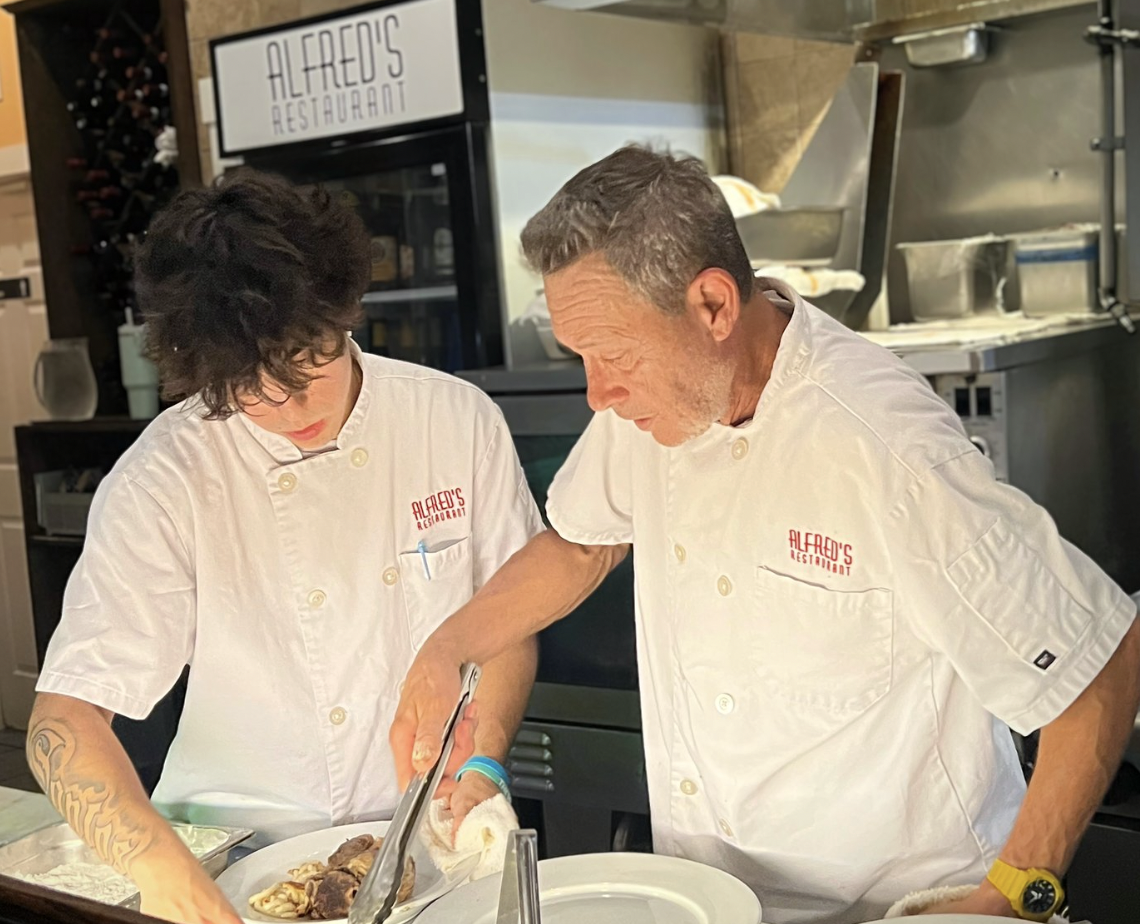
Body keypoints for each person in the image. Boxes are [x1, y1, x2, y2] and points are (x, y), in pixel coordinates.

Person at [390, 146, 1140, 924]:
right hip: (707, 896)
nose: (597, 393)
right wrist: (448, 648)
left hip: (897, 907)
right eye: (581, 358)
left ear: (713, 305)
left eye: (613, 357)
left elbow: (1101, 664)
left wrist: (1019, 894)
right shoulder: (656, 405)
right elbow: (582, 544)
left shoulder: (884, 447)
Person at [26, 170, 543, 924]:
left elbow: (509, 622)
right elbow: (59, 725)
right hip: (234, 856)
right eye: (247, 387)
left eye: (309, 360)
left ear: (344, 311)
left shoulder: (453, 421)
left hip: (433, 843)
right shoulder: (164, 478)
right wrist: (164, 872)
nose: (288, 404)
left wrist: (487, 758)